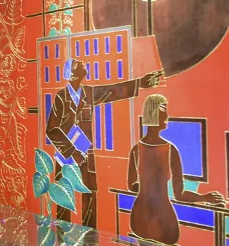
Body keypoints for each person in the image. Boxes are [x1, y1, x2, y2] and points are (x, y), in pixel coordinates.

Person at [46, 58, 162, 228]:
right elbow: (52, 129)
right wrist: (72, 151)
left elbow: (113, 91)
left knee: (90, 196)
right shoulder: (61, 98)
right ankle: (62, 238)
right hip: (66, 157)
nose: (84, 65)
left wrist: (140, 83)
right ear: (72, 74)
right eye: (79, 65)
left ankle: (90, 240)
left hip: (86, 154)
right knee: (64, 196)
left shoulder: (89, 93)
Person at [127, 94, 225, 246]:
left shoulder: (139, 150)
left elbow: (132, 185)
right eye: (163, 111)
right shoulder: (168, 150)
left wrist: (147, 186)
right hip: (161, 217)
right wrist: (204, 198)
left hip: (143, 214)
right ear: (152, 113)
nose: (167, 116)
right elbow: (179, 194)